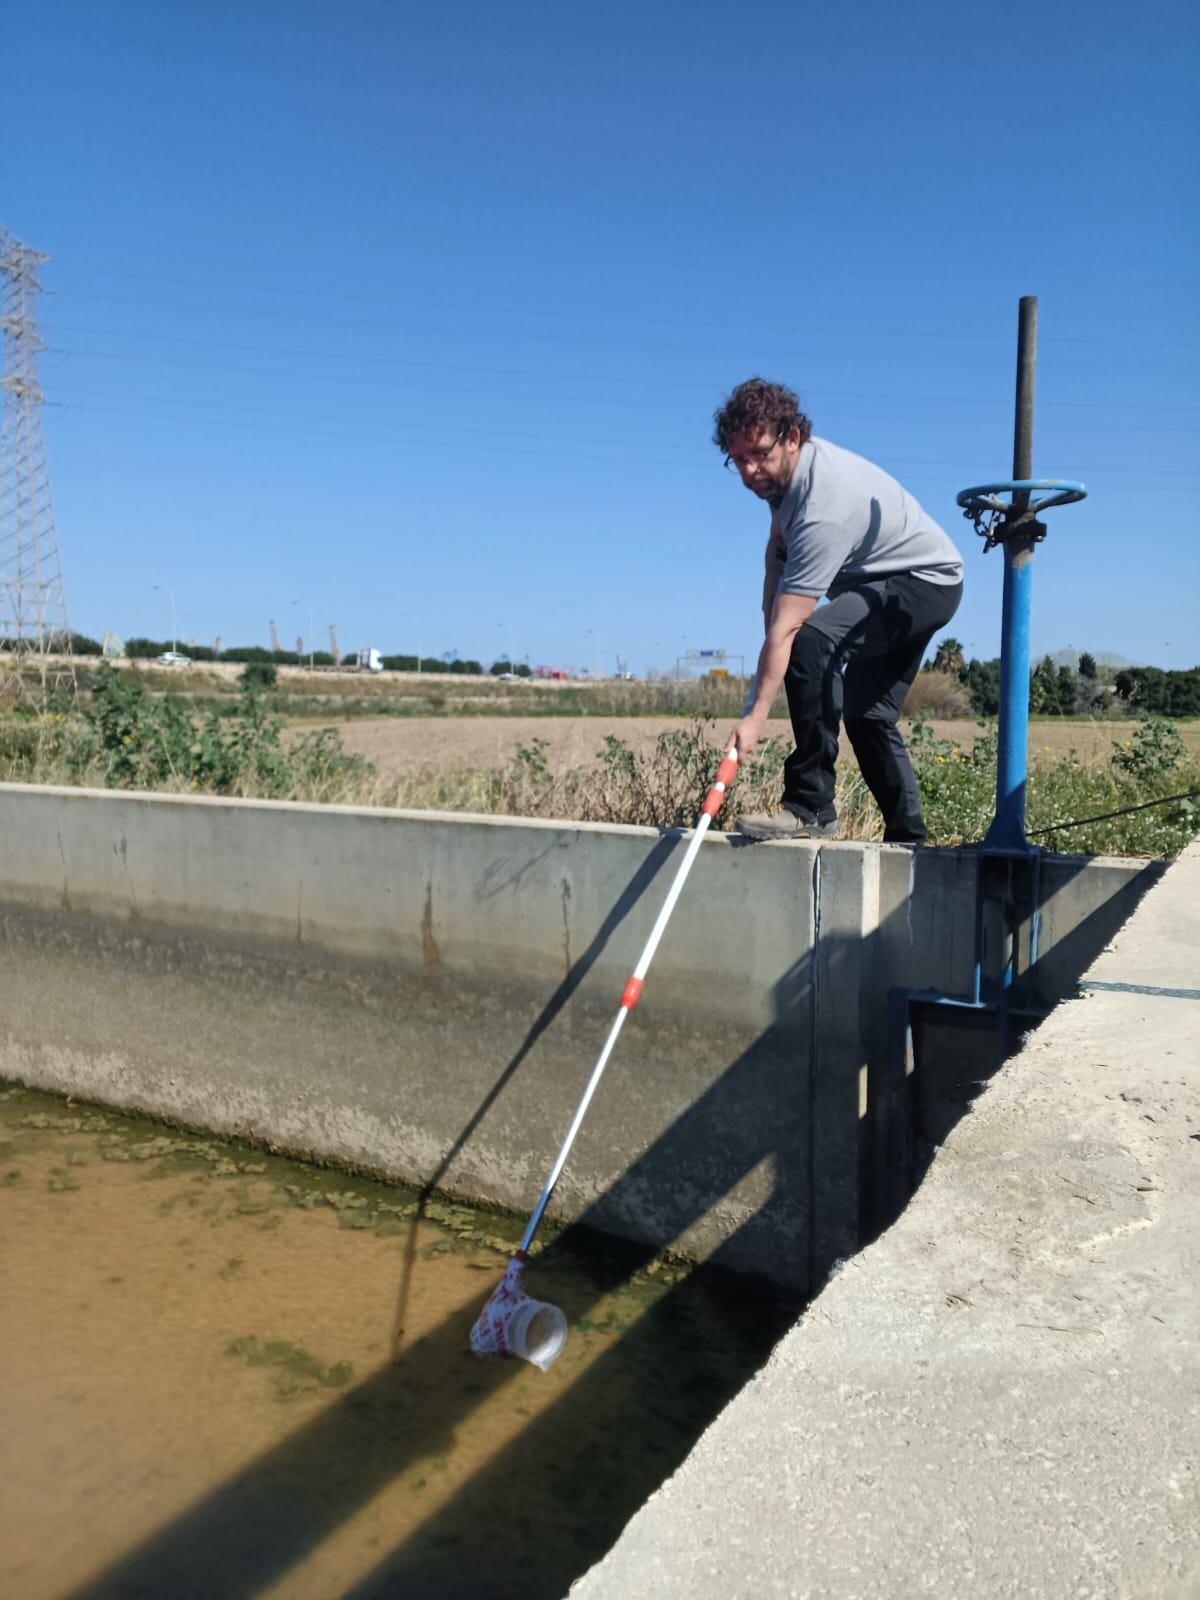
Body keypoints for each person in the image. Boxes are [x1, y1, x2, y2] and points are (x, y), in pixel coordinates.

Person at [716, 377, 963, 844]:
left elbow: (792, 629)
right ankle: (909, 840)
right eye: (739, 459)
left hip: (922, 583)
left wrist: (754, 716)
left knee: (812, 643)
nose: (749, 471)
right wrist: (771, 623)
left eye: (760, 455)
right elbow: (777, 551)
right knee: (868, 714)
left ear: (792, 437)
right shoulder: (786, 481)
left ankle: (810, 807)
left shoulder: (821, 505)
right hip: (904, 582)